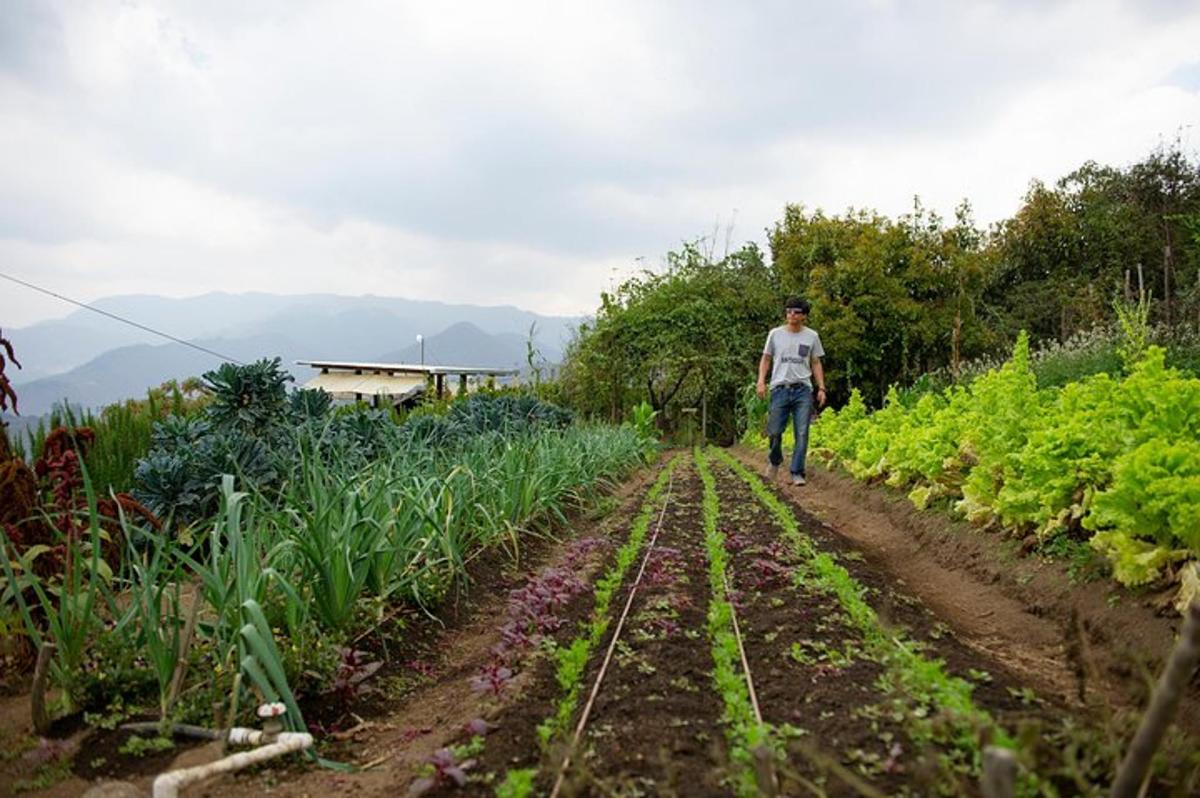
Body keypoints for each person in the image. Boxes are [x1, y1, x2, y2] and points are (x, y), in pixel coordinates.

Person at [756, 297, 826, 485]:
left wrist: (821, 388)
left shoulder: (812, 336)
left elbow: (816, 362)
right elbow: (766, 359)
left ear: (804, 316)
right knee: (774, 432)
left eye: (796, 312)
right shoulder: (775, 334)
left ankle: (797, 472)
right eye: (788, 311)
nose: (791, 315)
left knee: (802, 433)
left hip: (803, 390)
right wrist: (761, 381)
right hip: (780, 389)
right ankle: (775, 460)